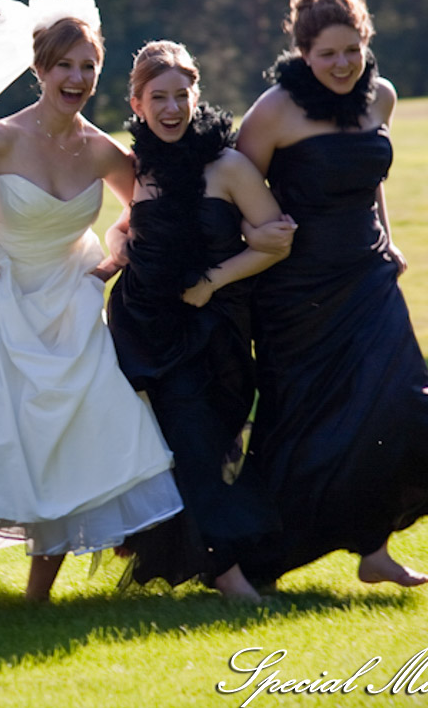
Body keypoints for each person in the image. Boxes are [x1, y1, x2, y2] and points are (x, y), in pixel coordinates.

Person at [234, 0, 428, 589]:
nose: (343, 64)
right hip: (297, 289)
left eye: (352, 50)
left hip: (369, 276)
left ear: (366, 41)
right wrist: (255, 240)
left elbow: (370, 177)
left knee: (395, 403)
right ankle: (254, 559)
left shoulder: (381, 97)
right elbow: (233, 189)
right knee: (302, 422)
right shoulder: (273, 111)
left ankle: (373, 548)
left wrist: (389, 238)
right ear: (302, 52)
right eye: (327, 53)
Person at [0, 0, 182, 602]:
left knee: (70, 434)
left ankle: (39, 593)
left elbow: (143, 213)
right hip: (0, 290)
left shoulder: (104, 151)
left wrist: (114, 258)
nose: (77, 77)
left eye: (87, 66)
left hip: (70, 300)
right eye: (64, 65)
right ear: (39, 69)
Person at [106, 41, 296, 601]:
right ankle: (225, 572)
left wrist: (213, 280)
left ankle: (226, 556)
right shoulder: (137, 167)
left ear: (196, 96)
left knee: (205, 444)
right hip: (144, 327)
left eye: (181, 95)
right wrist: (116, 241)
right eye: (158, 98)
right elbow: (127, 223)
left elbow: (276, 242)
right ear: (137, 104)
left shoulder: (228, 165)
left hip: (216, 331)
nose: (172, 108)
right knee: (178, 444)